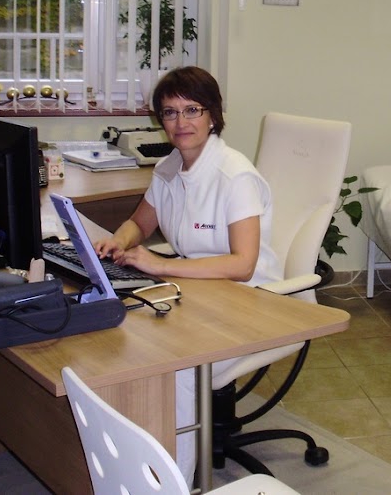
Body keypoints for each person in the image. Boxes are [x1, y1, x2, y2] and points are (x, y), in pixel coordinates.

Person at [94, 66, 282, 484]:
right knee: (124, 335)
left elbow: (242, 264)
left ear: (213, 115)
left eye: (192, 110)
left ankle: (174, 483)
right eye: (170, 112)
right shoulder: (169, 168)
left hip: (254, 300)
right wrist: (119, 242)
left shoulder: (235, 176)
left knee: (175, 365)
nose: (181, 122)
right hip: (199, 290)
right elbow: (139, 223)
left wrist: (159, 264)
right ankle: (136, 464)